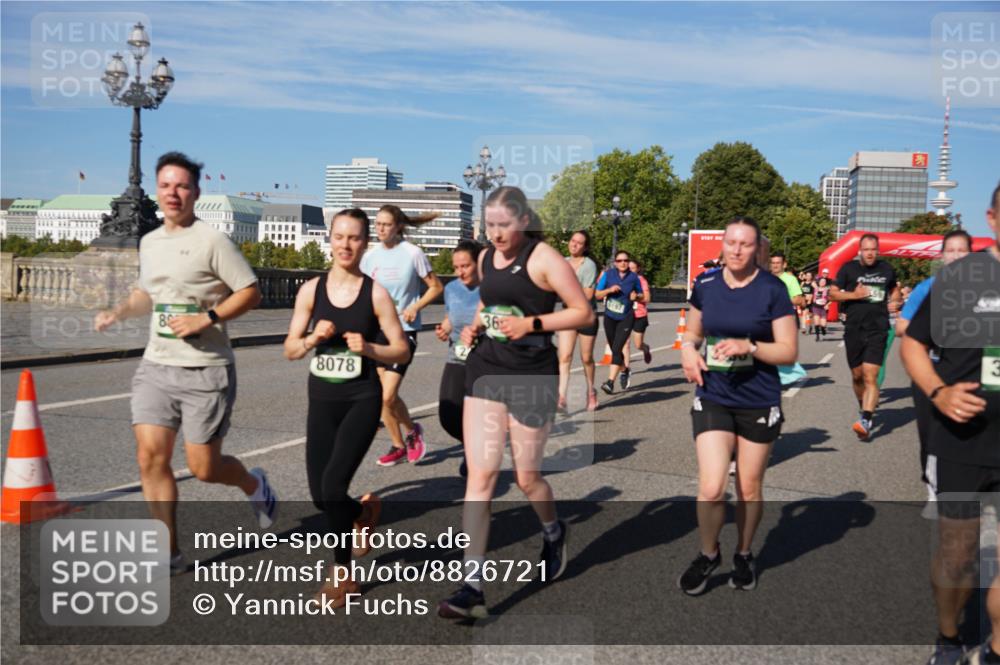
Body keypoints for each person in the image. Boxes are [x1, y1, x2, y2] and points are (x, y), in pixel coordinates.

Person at [94, 152, 277, 573]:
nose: (173, 193)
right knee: (150, 459)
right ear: (157, 191)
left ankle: (254, 484)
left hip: (206, 369)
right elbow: (148, 294)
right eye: (165, 185)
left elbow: (250, 292)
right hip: (156, 366)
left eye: (182, 186)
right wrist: (119, 312)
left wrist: (206, 317)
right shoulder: (150, 241)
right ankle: (170, 552)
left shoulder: (212, 241)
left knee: (204, 467)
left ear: (195, 192)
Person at [437, 187, 593, 619]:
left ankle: (553, 530)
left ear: (524, 220)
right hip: (486, 371)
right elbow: (488, 298)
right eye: (490, 225)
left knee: (527, 478)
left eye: (504, 224)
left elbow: (584, 313)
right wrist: (474, 327)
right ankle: (472, 585)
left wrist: (531, 323)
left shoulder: (544, 259)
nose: (497, 233)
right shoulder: (487, 257)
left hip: (531, 376)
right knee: (481, 477)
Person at [282, 208, 411, 607]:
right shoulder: (310, 291)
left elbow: (402, 349)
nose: (345, 244)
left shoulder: (375, 294)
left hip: (361, 399)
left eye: (354, 238)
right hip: (321, 400)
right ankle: (363, 514)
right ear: (330, 239)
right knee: (322, 498)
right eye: (339, 236)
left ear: (365, 243)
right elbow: (289, 349)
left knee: (334, 486)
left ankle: (342, 576)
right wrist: (310, 340)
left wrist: (369, 348)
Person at [901, 185, 999, 665]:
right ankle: (948, 637)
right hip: (964, 440)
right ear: (992, 219)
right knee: (958, 555)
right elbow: (913, 345)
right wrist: (939, 392)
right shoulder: (964, 280)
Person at [677, 216, 797, 595]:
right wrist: (687, 352)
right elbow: (693, 334)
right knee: (711, 487)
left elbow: (789, 351)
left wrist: (752, 347)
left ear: (756, 247)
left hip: (758, 398)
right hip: (713, 394)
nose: (737, 250)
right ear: (723, 244)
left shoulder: (772, 289)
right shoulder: (706, 284)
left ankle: (744, 553)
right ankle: (708, 552)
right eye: (731, 242)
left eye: (745, 244)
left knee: (748, 486)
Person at [895, 230, 973, 509]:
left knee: (969, 435)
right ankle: (932, 488)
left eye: (961, 251)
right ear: (942, 256)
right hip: (931, 372)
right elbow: (901, 327)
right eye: (950, 251)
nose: (955, 256)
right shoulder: (928, 287)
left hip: (970, 374)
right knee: (931, 435)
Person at [361, 205, 443, 467]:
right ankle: (402, 442)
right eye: (378, 224)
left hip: (403, 333)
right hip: (376, 333)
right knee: (382, 396)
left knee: (387, 396)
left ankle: (409, 433)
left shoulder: (412, 253)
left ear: (398, 227)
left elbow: (435, 287)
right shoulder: (369, 257)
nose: (381, 228)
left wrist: (415, 307)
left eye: (386, 224)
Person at [830, 233, 902, 441]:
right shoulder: (848, 269)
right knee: (857, 375)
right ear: (860, 250)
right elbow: (832, 294)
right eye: (866, 250)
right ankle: (864, 408)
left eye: (873, 250)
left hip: (878, 328)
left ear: (877, 251)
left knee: (871, 375)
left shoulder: (886, 268)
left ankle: (866, 419)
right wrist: (854, 295)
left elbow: (894, 289)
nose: (870, 254)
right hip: (854, 329)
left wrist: (895, 300)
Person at [435, 240, 483, 478]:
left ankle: (474, 455)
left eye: (465, 266)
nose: (459, 272)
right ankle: (473, 446)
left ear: (478, 263)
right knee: (447, 413)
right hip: (457, 355)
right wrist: (444, 328)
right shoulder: (452, 288)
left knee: (475, 413)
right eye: (456, 267)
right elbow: (451, 315)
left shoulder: (492, 289)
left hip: (485, 359)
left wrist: (478, 331)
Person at [556, 230, 599, 413]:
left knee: (586, 358)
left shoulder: (588, 265)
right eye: (573, 241)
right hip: (568, 314)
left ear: (585, 247)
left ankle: (591, 392)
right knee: (564, 356)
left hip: (586, 315)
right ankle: (561, 397)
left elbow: (588, 294)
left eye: (579, 243)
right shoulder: (563, 263)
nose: (574, 244)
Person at [595, 250, 644, 395]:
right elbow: (597, 294)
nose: (623, 263)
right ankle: (625, 370)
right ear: (615, 263)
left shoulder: (634, 278)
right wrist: (609, 290)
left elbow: (643, 296)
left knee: (616, 349)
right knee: (614, 348)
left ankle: (610, 382)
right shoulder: (608, 275)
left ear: (628, 262)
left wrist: (637, 296)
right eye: (620, 260)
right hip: (610, 316)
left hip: (626, 317)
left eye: (625, 260)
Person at [621, 258, 653, 385]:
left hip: (639, 315)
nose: (630, 270)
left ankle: (645, 349)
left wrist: (637, 296)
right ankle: (626, 371)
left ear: (638, 269)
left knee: (638, 344)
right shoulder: (623, 279)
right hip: (626, 314)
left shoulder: (641, 280)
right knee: (625, 343)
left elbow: (648, 298)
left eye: (633, 268)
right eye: (629, 268)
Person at [811, 275, 831, 340]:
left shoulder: (828, 289)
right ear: (819, 282)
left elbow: (832, 299)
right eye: (821, 281)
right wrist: (818, 278)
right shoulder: (815, 288)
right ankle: (817, 336)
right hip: (816, 307)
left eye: (824, 281)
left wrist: (828, 304)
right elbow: (812, 282)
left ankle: (823, 329)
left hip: (823, 308)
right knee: (816, 322)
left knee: (823, 324)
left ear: (826, 283)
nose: (822, 282)